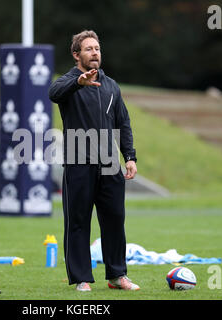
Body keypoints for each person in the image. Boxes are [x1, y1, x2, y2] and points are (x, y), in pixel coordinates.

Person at [48, 30, 139, 292]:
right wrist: (79, 82)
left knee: (114, 219)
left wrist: (129, 156)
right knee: (77, 221)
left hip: (110, 163)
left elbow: (123, 122)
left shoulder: (111, 86)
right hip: (79, 162)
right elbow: (53, 93)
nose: (95, 53)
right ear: (76, 55)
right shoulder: (68, 81)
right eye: (88, 49)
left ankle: (117, 275)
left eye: (97, 48)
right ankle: (81, 278)